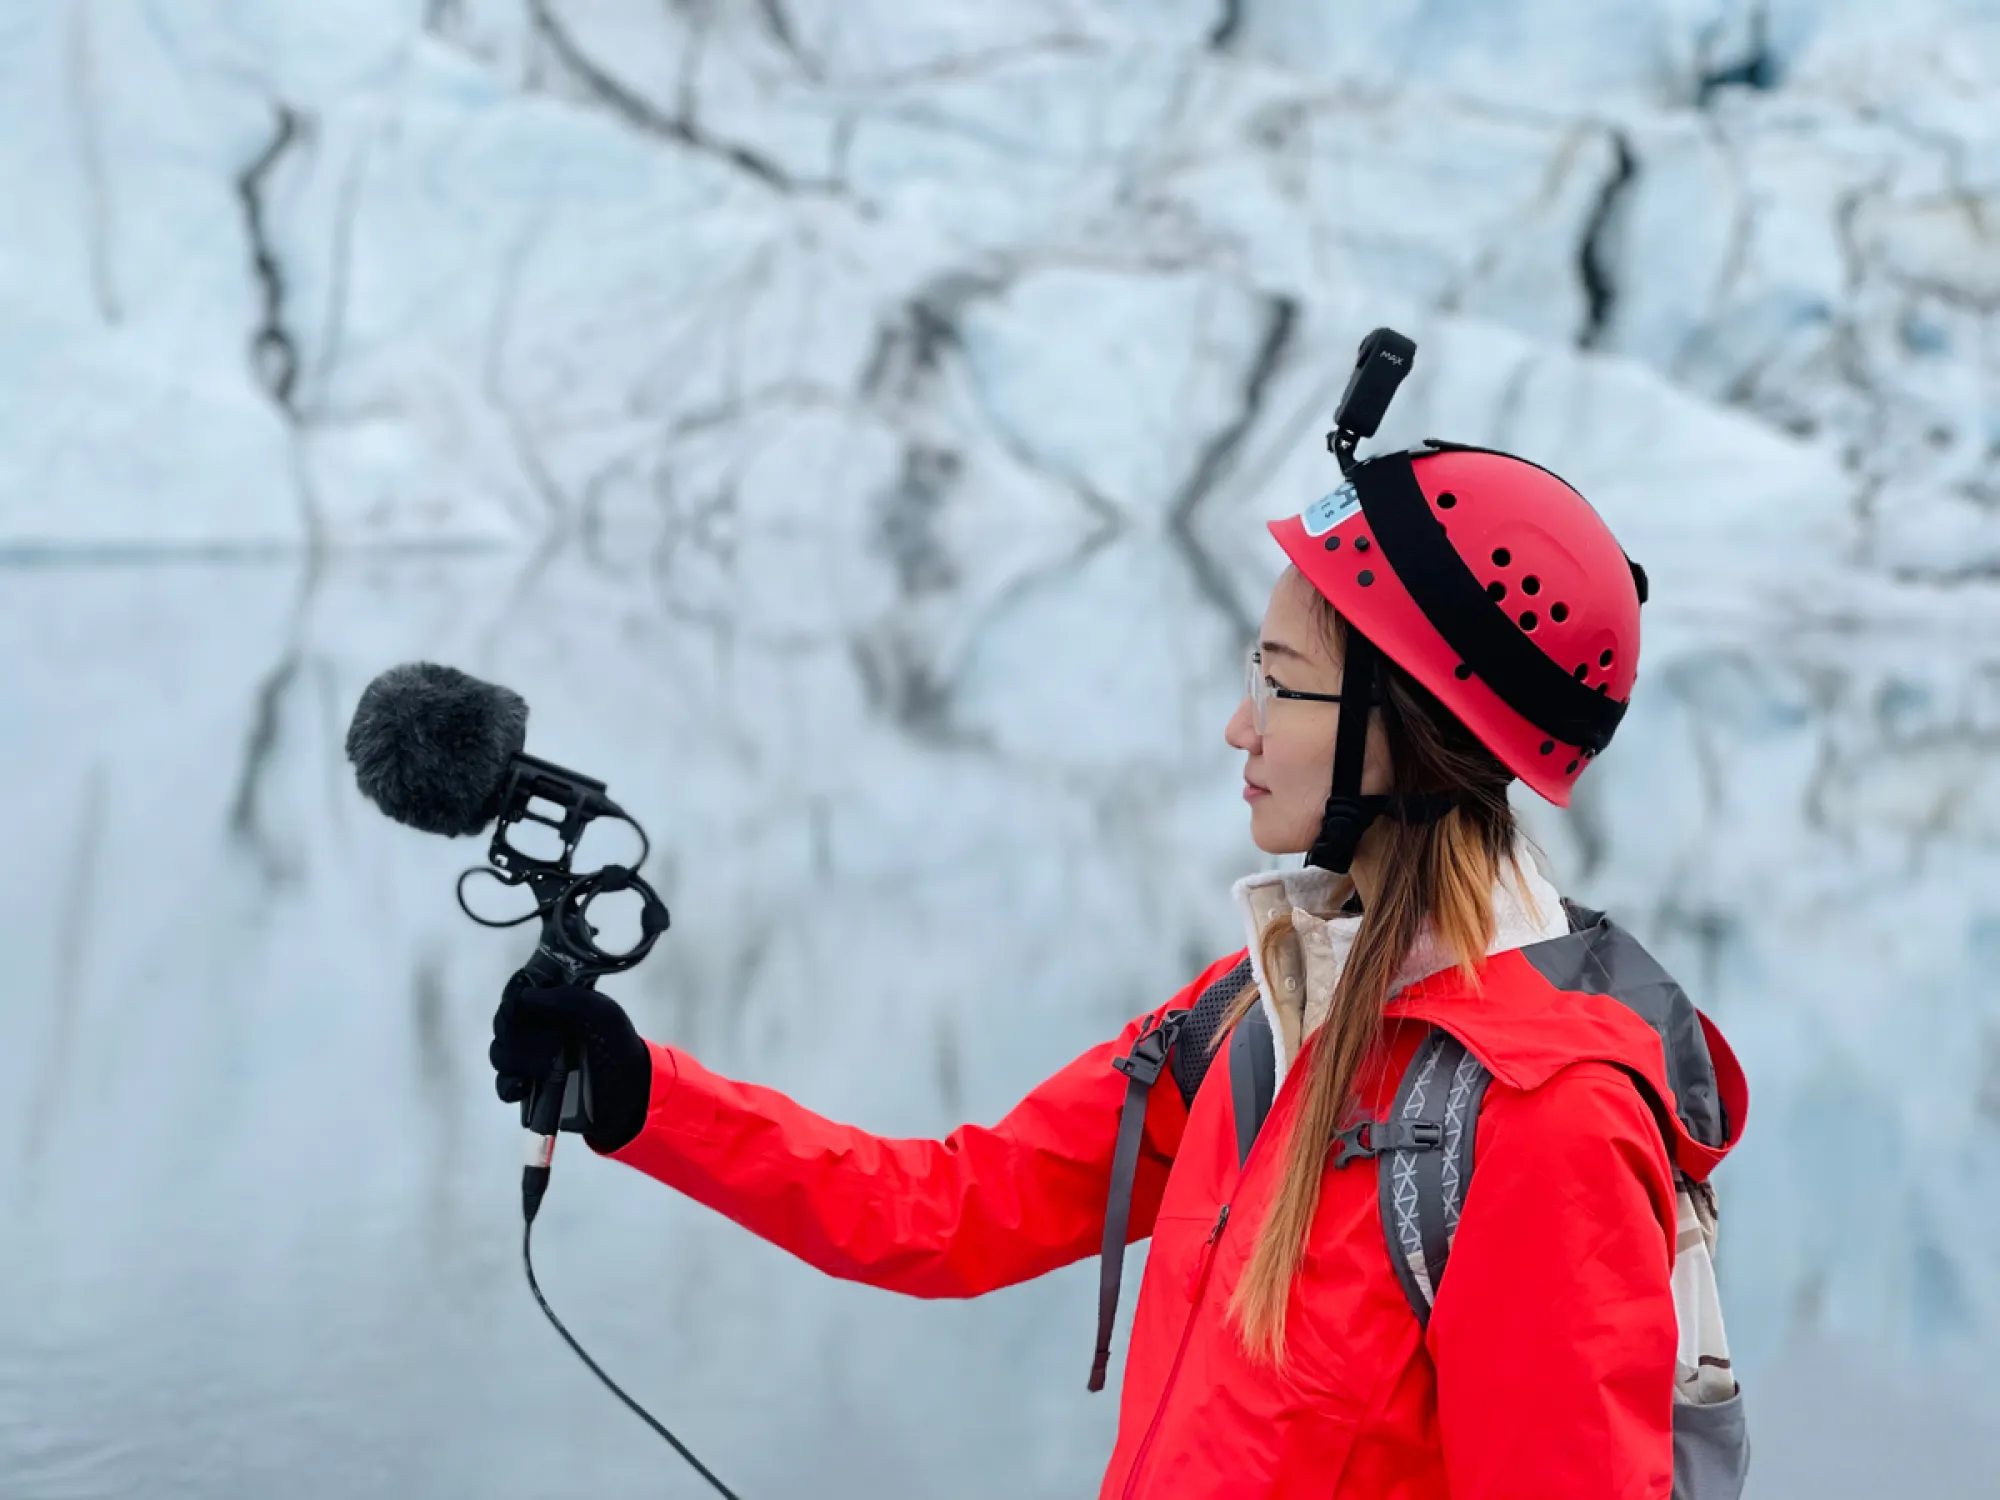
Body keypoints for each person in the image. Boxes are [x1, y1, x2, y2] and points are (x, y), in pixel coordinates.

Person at [490, 437, 1749, 1499]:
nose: (1238, 725)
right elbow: (948, 1212)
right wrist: (642, 1095)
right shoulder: (1259, 1016)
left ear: (1407, 735)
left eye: (1280, 683)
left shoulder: (1543, 1125)